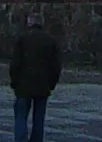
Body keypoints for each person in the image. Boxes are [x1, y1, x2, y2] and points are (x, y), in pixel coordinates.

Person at [8, 12, 62, 142]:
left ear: (29, 23)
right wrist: (52, 84)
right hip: (43, 85)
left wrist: (14, 82)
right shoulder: (50, 40)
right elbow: (56, 65)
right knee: (39, 119)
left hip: (23, 85)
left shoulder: (22, 39)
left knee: (21, 117)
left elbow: (15, 63)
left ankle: (21, 140)